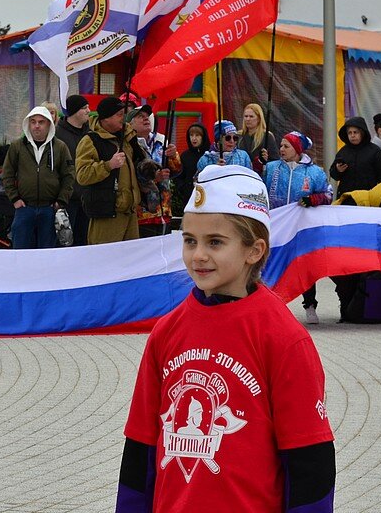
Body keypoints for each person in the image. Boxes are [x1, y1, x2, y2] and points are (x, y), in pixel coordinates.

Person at [116, 164, 335, 512]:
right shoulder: (166, 333)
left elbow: (310, 461)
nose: (198, 254)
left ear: (254, 250)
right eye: (190, 240)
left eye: (215, 242)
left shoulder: (283, 337)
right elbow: (140, 448)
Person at [262, 131, 332, 325]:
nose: (281, 149)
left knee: (303, 266)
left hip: (301, 229)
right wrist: (260, 164)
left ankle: (310, 305)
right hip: (276, 227)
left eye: (286, 146)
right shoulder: (272, 168)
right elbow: (258, 188)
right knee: (273, 265)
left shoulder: (314, 172)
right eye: (281, 146)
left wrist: (313, 199)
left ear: (298, 149)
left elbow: (328, 195)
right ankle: (271, 305)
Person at [75, 95, 144, 245]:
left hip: (129, 213)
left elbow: (137, 167)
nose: (123, 118)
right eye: (119, 115)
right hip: (107, 213)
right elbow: (82, 175)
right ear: (106, 118)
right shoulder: (90, 140)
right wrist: (108, 165)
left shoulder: (126, 138)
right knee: (105, 262)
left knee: (130, 262)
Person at [3, 105, 74, 248]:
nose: (36, 126)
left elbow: (69, 175)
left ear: (49, 124)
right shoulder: (18, 146)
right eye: (33, 122)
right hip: (24, 208)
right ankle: (22, 271)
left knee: (47, 251)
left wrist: (61, 200)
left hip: (49, 209)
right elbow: (7, 173)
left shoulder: (60, 147)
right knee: (20, 249)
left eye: (41, 122)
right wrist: (15, 198)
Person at [55, 94, 92, 246]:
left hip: (87, 197)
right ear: (75, 111)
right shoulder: (57, 135)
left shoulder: (90, 134)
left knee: (83, 240)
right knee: (65, 241)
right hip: (66, 199)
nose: (89, 111)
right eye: (85, 108)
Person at [328, 116, 381, 198]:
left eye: (355, 132)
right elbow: (334, 174)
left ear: (362, 133)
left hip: (368, 199)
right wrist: (338, 170)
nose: (352, 135)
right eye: (349, 133)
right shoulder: (343, 152)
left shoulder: (374, 151)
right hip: (346, 199)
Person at [173, 123, 210, 218]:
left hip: (208, 197)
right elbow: (179, 176)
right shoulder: (185, 155)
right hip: (190, 197)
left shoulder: (210, 155)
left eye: (197, 135)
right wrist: (184, 188)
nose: (194, 138)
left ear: (203, 137)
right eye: (191, 135)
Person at [240, 102, 280, 171]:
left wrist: (265, 161)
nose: (248, 119)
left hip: (260, 175)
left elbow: (275, 160)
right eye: (246, 116)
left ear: (259, 118)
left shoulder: (267, 136)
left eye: (251, 116)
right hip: (241, 174)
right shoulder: (238, 136)